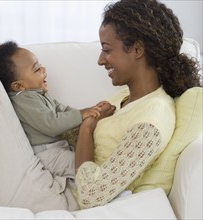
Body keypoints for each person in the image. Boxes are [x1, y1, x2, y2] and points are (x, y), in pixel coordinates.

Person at [74, 0, 201, 209]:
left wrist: (87, 128)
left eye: (107, 49)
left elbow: (91, 195)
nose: (100, 60)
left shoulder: (151, 122)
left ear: (137, 50)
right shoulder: (125, 96)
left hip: (75, 199)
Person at [0, 41, 111, 188]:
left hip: (55, 149)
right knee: (81, 167)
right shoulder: (23, 99)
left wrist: (91, 111)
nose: (44, 69)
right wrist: (82, 114)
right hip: (45, 154)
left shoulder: (39, 94)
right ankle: (105, 190)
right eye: (37, 69)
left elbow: (63, 110)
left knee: (83, 163)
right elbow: (51, 124)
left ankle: (91, 186)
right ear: (19, 86)